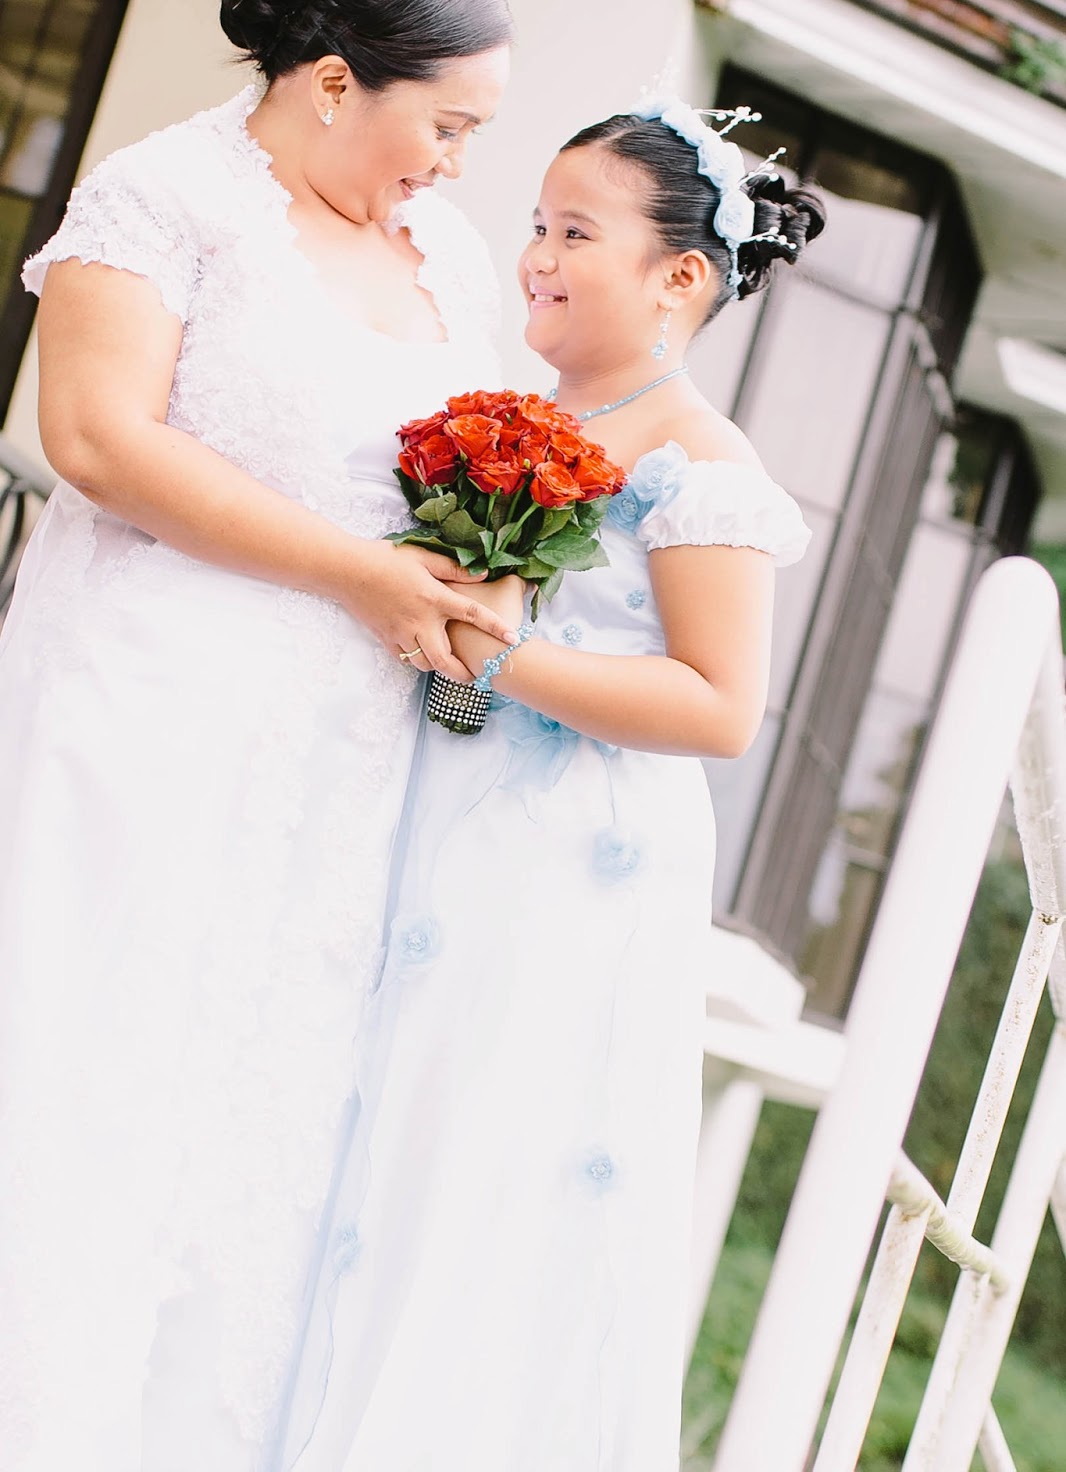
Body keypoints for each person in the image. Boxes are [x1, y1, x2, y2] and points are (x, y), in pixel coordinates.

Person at [0, 0, 515, 1470]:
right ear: (336, 81)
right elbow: (97, 439)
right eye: (446, 126)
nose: (457, 165)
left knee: (252, 1104)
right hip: (151, 710)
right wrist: (358, 575)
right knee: (101, 1063)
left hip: (341, 755)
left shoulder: (448, 257)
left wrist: (492, 569)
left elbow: (476, 461)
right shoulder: (164, 194)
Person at [272, 100, 824, 1469]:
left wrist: (507, 656)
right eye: (535, 223)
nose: (535, 255)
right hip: (432, 824)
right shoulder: (518, 421)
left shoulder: (701, 461)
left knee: (479, 1164)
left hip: (569, 865)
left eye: (575, 232)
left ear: (677, 275)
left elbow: (721, 706)